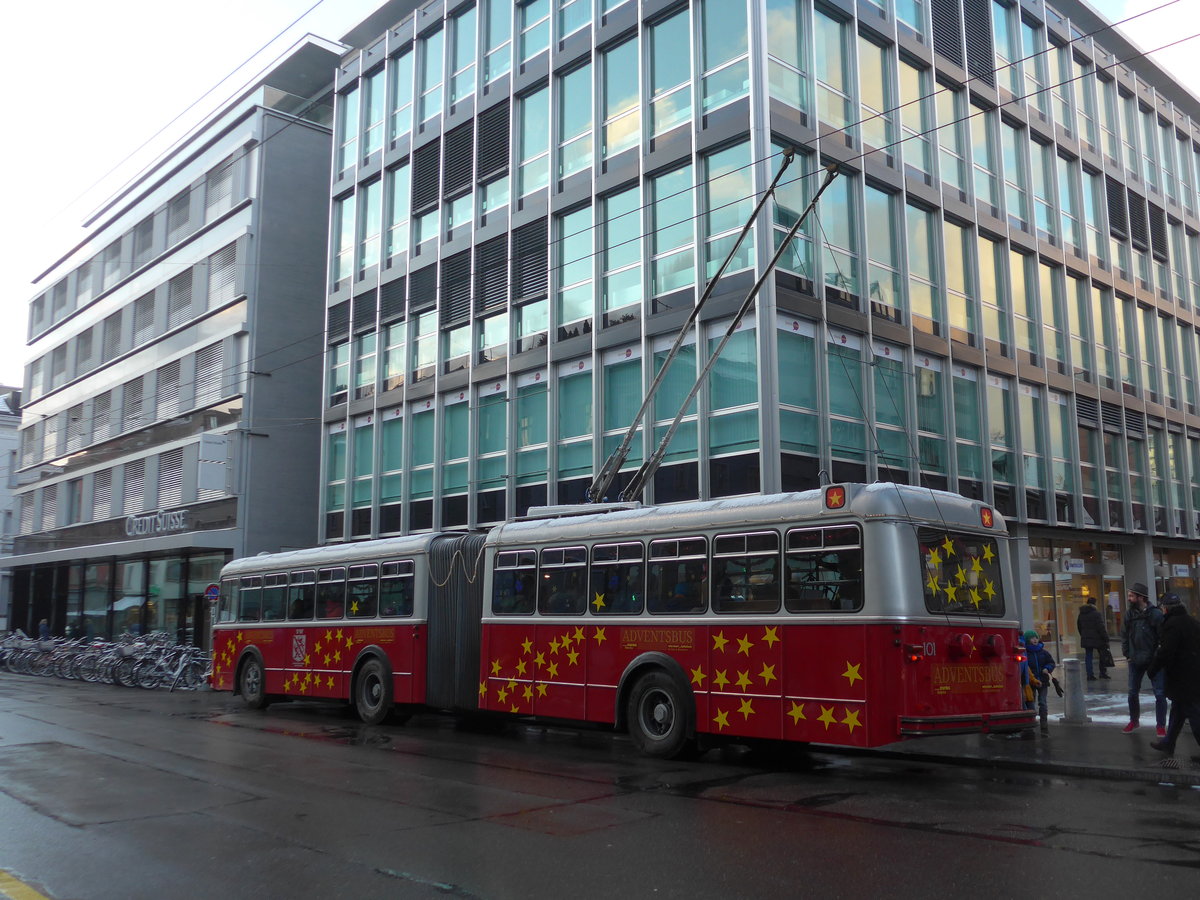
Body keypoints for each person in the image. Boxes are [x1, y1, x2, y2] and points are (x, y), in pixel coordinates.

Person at [1147, 594, 1200, 757]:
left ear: (1166, 608)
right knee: (1178, 711)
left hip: (1182, 676)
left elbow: (1166, 652)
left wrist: (1153, 669)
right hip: (1194, 673)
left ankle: (1168, 743)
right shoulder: (1192, 622)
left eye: (1162, 607)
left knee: (1194, 713)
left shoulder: (1172, 625)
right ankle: (1168, 743)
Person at [1120, 582, 1167, 736]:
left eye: (1131, 596)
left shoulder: (1155, 614)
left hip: (1153, 659)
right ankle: (1134, 721)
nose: (1129, 598)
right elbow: (1125, 635)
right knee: (1132, 692)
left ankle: (1160, 725)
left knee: (1159, 693)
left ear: (1141, 597)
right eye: (1129, 595)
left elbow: (1162, 637)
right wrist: (1127, 654)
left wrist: (1157, 656)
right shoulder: (1129, 614)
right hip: (1135, 659)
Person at [1024, 629, 1056, 732]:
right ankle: (1031, 722)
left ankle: (1044, 723)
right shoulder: (1025, 653)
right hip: (1031, 682)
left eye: (1036, 637)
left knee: (1042, 702)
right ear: (1027, 640)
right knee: (1031, 702)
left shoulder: (1043, 652)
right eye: (1032, 638)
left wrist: (1048, 668)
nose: (1035, 639)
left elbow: (1051, 663)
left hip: (1043, 681)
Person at [1077, 597, 1110, 681]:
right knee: (1102, 654)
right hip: (1098, 638)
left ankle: (1090, 675)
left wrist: (1083, 635)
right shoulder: (1096, 614)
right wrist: (1106, 637)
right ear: (1094, 604)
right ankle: (1102, 672)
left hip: (1086, 638)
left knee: (1088, 656)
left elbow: (1079, 626)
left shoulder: (1081, 614)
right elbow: (1101, 627)